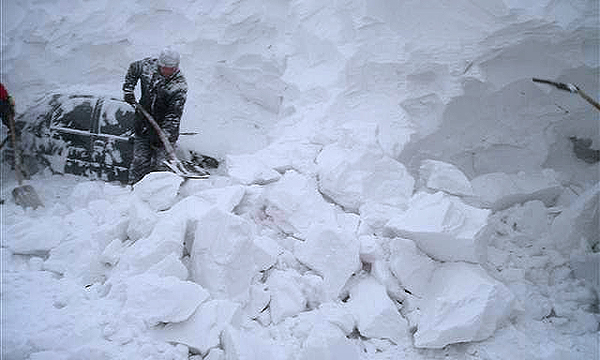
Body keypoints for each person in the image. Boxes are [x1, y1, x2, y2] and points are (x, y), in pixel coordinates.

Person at [122, 48, 188, 184]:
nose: (168, 71)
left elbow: (173, 115)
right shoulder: (147, 67)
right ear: (159, 64)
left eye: (172, 68)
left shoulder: (179, 86)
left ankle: (159, 196)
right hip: (143, 125)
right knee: (140, 162)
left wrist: (164, 136)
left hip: (165, 133)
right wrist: (128, 89)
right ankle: (134, 192)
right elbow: (134, 68)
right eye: (165, 68)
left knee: (161, 168)